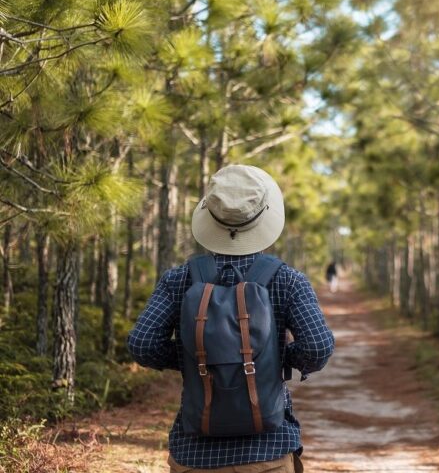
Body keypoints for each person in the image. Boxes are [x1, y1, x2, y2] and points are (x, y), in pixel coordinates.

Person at [128, 164, 334, 473]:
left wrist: (195, 356)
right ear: (264, 216)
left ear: (209, 215)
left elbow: (143, 344)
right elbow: (317, 347)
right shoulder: (288, 280)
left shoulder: (179, 279)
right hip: (267, 452)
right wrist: (275, 358)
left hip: (194, 456)